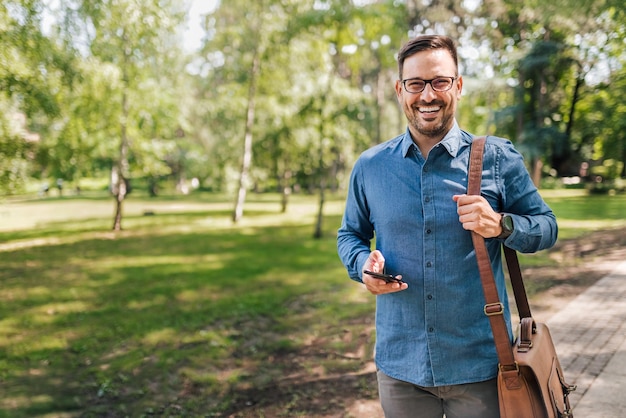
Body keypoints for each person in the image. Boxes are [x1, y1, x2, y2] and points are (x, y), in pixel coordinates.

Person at [336, 35, 557, 418]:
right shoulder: (370, 166)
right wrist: (362, 268)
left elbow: (547, 227)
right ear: (399, 89)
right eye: (415, 84)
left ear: (458, 85)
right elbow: (349, 235)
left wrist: (501, 224)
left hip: (482, 368)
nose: (427, 96)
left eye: (439, 81)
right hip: (400, 368)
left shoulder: (497, 158)